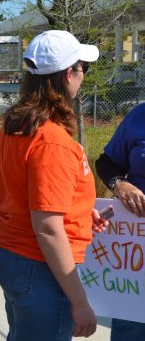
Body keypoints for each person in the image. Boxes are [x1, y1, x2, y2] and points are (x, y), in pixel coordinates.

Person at [0, 30, 108, 341]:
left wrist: (79, 214)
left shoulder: (19, 123)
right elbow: (48, 227)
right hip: (39, 264)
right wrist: (80, 303)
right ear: (69, 74)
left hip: (14, 251)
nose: (83, 76)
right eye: (83, 68)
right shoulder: (52, 140)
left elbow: (28, 191)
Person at [95, 103, 145, 340]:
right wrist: (119, 184)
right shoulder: (139, 115)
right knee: (131, 328)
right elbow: (106, 163)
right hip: (137, 248)